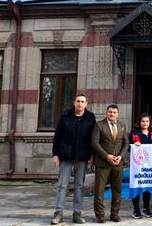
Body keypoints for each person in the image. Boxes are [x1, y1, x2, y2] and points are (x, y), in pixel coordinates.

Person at [51, 93, 96, 225]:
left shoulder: (90, 118)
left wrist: (91, 155)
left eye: (82, 102)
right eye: (78, 101)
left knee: (79, 186)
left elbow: (92, 139)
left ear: (86, 103)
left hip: (82, 156)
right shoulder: (65, 116)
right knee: (62, 185)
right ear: (74, 102)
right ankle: (58, 213)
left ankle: (77, 213)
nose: (80, 104)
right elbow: (57, 136)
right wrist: (55, 154)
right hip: (65, 155)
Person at [92, 104, 129, 223]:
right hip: (103, 162)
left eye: (114, 112)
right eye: (110, 112)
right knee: (99, 190)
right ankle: (100, 214)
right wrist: (106, 156)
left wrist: (120, 156)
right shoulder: (99, 125)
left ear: (117, 114)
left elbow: (126, 143)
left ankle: (115, 213)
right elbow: (95, 143)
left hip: (118, 163)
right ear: (106, 113)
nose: (112, 114)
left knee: (117, 189)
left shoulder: (122, 125)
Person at [130, 113, 152, 219]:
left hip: (149, 165)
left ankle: (146, 208)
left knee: (147, 187)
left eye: (147, 121)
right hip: (137, 165)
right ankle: (136, 210)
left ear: (150, 122)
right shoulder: (134, 133)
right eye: (143, 121)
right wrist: (134, 145)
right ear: (139, 122)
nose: (145, 123)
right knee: (137, 186)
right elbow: (129, 148)